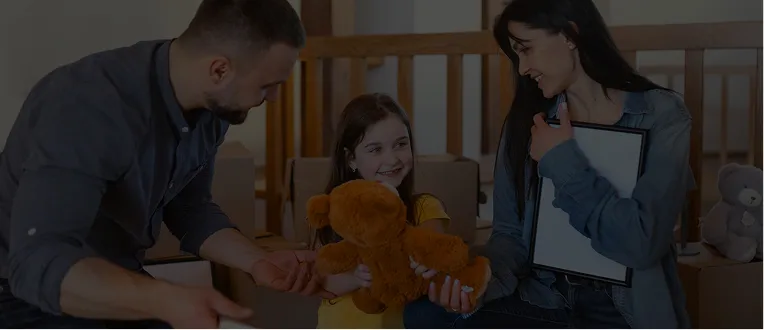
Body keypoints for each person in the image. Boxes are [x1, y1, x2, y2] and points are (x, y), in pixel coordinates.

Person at [0, 0, 332, 328]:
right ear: (219, 69)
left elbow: (190, 207)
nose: (273, 97)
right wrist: (165, 298)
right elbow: (38, 263)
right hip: (21, 288)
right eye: (267, 85)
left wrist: (258, 260)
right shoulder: (85, 105)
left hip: (112, 275)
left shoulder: (215, 106)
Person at [403, 0, 695, 328]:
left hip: (622, 310)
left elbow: (642, 244)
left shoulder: (663, 114)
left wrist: (562, 161)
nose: (523, 67)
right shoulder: (525, 122)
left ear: (570, 34)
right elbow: (510, 236)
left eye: (526, 49)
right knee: (424, 314)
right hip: (545, 300)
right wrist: (481, 274)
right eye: (516, 55)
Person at [312, 93, 452, 329]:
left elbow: (435, 255)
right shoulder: (334, 213)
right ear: (351, 159)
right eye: (375, 149)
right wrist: (355, 277)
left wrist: (428, 264)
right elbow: (322, 281)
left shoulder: (425, 207)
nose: (392, 159)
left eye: (401, 144)